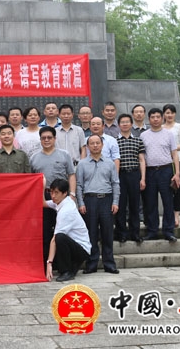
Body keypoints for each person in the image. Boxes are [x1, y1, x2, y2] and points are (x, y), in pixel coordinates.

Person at [30, 126, 76, 268]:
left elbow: (71, 175)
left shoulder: (64, 155)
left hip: (61, 196)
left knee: (62, 232)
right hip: (42, 196)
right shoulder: (34, 158)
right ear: (40, 140)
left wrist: (72, 194)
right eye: (43, 138)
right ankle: (45, 264)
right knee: (44, 231)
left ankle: (63, 265)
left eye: (49, 137)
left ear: (55, 139)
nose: (46, 140)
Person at [76, 134, 120, 274]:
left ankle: (109, 263)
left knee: (107, 233)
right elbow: (79, 185)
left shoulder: (110, 163)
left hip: (106, 199)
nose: (95, 145)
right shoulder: (82, 164)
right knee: (91, 233)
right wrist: (80, 203)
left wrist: (115, 202)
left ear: (102, 145)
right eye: (92, 143)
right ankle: (91, 263)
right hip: (90, 200)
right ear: (88, 146)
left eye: (97, 143)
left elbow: (115, 183)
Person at [141, 108, 180, 241]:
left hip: (166, 170)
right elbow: (142, 157)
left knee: (168, 201)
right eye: (153, 117)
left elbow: (175, 154)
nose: (156, 119)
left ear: (162, 118)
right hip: (150, 171)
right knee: (150, 203)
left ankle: (168, 231)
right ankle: (152, 231)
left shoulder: (169, 134)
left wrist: (177, 173)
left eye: (158, 117)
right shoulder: (143, 135)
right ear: (149, 119)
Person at [44, 179, 91, 282]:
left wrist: (49, 263)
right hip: (73, 244)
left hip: (81, 249)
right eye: (51, 192)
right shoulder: (62, 201)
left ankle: (67, 271)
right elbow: (42, 203)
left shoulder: (66, 211)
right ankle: (70, 266)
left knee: (59, 237)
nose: (53, 196)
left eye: (56, 193)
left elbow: (54, 239)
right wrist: (42, 185)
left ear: (65, 193)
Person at [115, 114, 146, 243]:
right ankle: (122, 233)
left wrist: (142, 178)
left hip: (134, 174)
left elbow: (142, 160)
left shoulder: (138, 141)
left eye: (127, 122)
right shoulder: (114, 141)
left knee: (134, 205)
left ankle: (135, 233)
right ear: (119, 125)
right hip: (120, 175)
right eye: (122, 122)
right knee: (121, 205)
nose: (125, 124)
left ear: (131, 124)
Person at [163, 104, 180, 227]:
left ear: (175, 114)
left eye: (172, 113)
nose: (170, 115)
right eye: (167, 113)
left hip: (179, 161)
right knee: (166, 190)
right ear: (164, 114)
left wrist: (170, 148)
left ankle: (176, 216)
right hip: (164, 162)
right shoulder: (161, 128)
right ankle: (168, 215)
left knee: (177, 189)